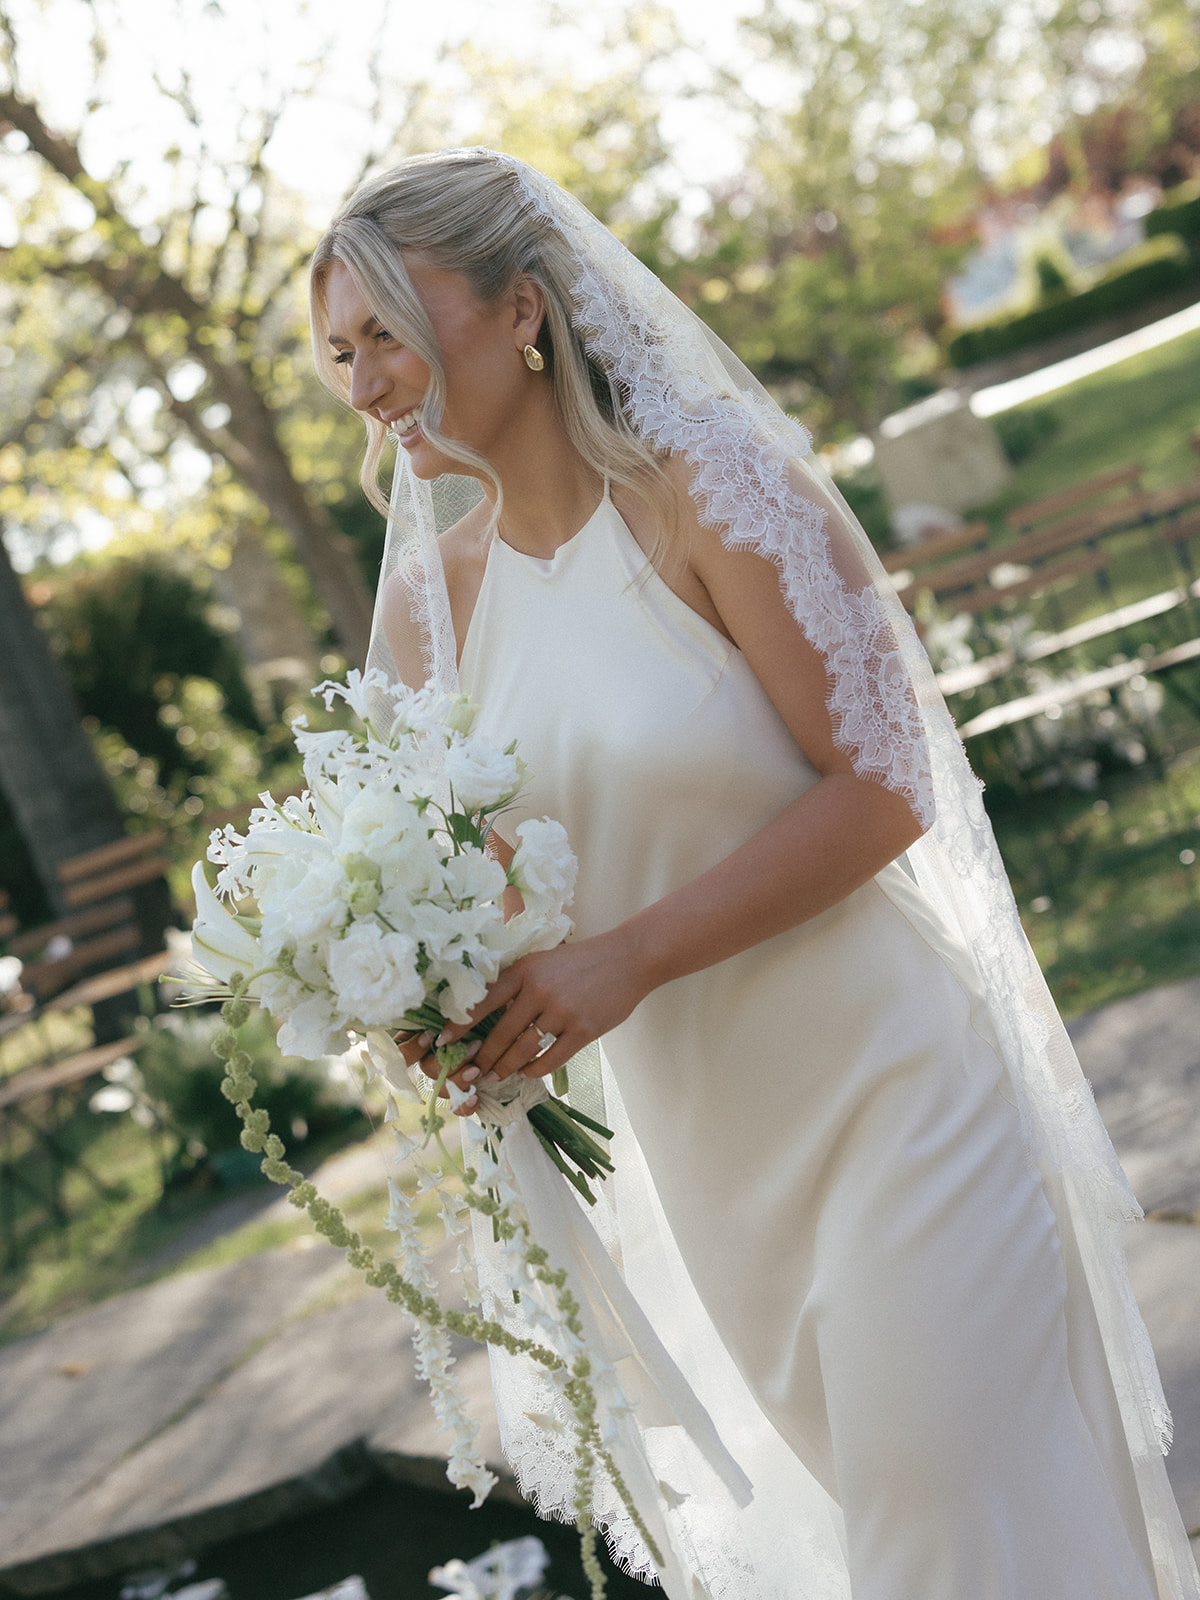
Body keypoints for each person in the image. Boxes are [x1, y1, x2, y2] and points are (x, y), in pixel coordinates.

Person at [308, 149, 1199, 1600]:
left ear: (524, 310)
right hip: (709, 1147)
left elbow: (883, 789)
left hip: (892, 1091)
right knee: (898, 1535)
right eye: (339, 351)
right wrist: (429, 1004)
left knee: (944, 1526)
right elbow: (453, 889)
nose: (362, 385)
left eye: (390, 336)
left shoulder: (710, 494)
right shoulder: (427, 616)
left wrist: (632, 954)